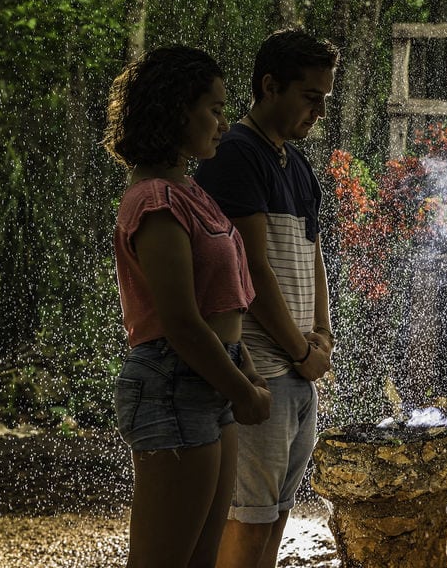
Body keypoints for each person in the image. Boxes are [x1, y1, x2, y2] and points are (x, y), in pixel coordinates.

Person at [104, 45, 272, 568]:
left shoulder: (189, 190)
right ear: (177, 109)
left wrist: (241, 369)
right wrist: (242, 388)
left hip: (209, 378)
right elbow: (178, 321)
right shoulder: (156, 199)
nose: (225, 123)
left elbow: (222, 303)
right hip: (174, 382)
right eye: (215, 109)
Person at [194, 28, 339, 568]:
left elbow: (314, 252)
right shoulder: (234, 154)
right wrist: (300, 351)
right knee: (249, 521)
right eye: (310, 97)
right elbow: (247, 270)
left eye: (326, 98)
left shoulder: (296, 164)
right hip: (260, 370)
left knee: (276, 517)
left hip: (297, 369)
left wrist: (322, 335)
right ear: (269, 85)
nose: (319, 111)